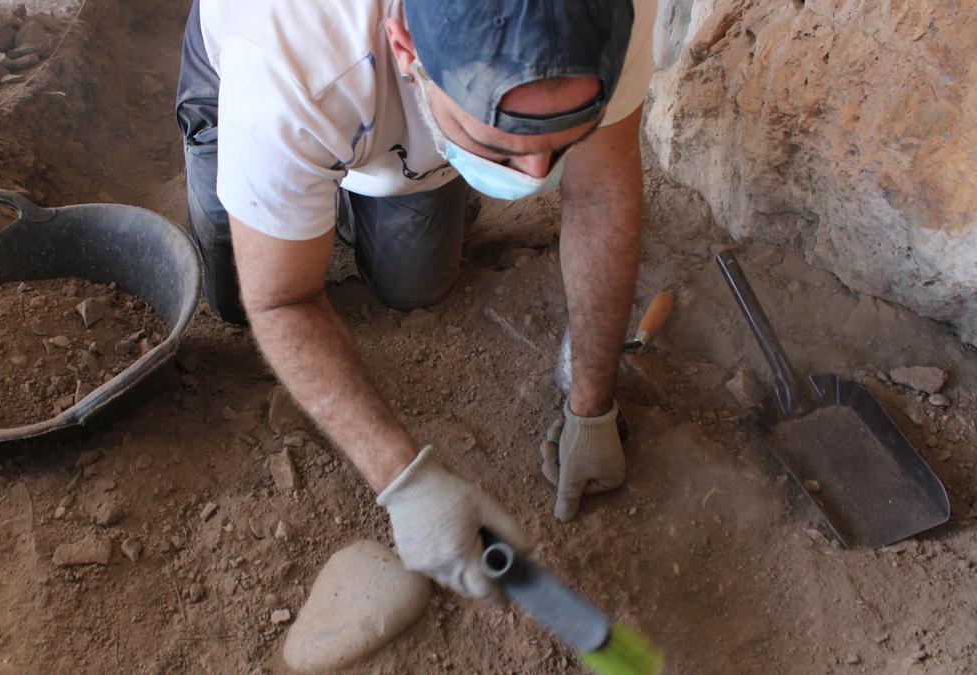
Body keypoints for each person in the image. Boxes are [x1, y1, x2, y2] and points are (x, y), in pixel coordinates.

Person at [175, 0, 656, 599]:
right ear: (406, 49)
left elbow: (600, 197)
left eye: (561, 144)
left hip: (388, 118)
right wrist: (406, 483)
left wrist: (593, 406)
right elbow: (282, 301)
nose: (534, 177)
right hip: (278, 82)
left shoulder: (612, 15)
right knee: (230, 289)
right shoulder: (287, 60)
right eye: (501, 147)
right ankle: (302, 182)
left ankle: (345, 181)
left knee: (415, 285)